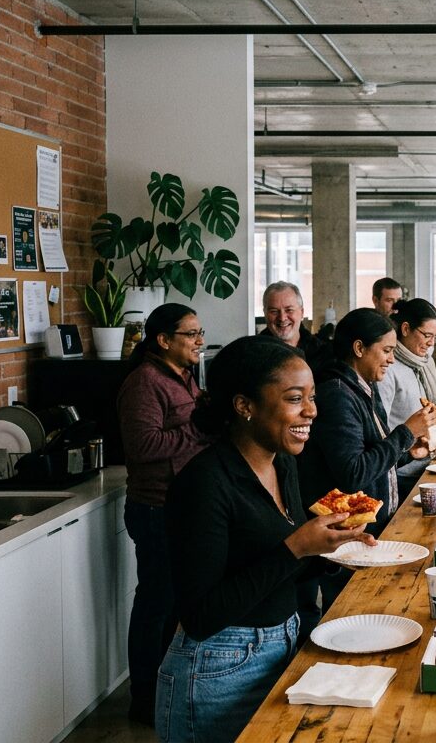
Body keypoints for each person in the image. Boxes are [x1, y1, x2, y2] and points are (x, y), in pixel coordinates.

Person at [159, 336, 375, 742]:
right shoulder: (204, 484)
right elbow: (201, 616)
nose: (312, 410)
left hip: (283, 644)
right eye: (295, 399)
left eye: (311, 397)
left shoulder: (284, 465)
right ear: (245, 406)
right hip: (217, 670)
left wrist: (330, 551)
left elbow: (279, 566)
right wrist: (297, 547)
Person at [295, 308, 436, 633]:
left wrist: (408, 451)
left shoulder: (363, 386)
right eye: (387, 351)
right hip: (349, 537)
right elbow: (353, 473)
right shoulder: (336, 394)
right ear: (360, 348)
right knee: (355, 622)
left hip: (368, 533)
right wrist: (406, 433)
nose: (391, 360)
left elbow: (374, 455)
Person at [115, 303, 213, 726]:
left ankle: (165, 694)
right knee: (155, 607)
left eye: (199, 332)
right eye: (190, 334)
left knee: (174, 606)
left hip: (182, 506)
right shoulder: (144, 383)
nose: (199, 341)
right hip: (155, 509)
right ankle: (144, 700)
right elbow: (144, 447)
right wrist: (200, 427)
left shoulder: (184, 377)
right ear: (163, 340)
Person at [376, 299, 436, 493]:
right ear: (406, 329)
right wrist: (435, 445)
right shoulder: (387, 369)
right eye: (426, 335)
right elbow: (382, 430)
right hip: (403, 472)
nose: (431, 343)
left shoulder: (423, 362)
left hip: (428, 463)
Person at [261, 281, 323, 364]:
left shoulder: (321, 352)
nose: (282, 318)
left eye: (289, 310)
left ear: (302, 312)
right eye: (274, 311)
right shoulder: (252, 353)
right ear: (265, 313)